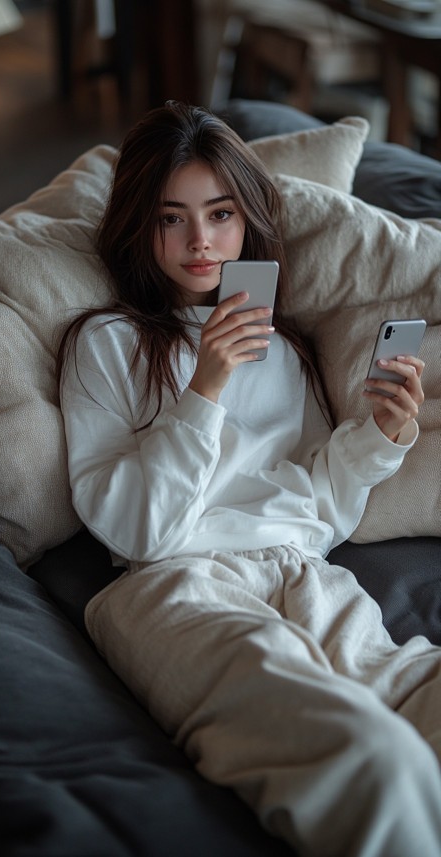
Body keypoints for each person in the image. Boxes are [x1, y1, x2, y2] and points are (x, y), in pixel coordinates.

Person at [58, 101, 441, 857]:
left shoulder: (281, 349)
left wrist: (383, 432)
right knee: (372, 759)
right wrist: (205, 386)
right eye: (172, 218)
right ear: (142, 225)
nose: (200, 240)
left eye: (220, 213)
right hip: (176, 586)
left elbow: (323, 508)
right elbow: (141, 530)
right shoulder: (106, 343)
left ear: (247, 222)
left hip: (305, 576)